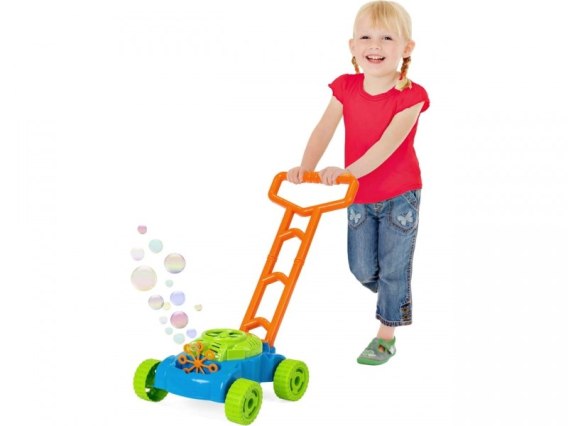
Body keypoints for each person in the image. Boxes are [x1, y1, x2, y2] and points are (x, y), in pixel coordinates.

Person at [287, 1, 429, 365]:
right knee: (362, 268)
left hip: (400, 197)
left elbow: (387, 145)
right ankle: (395, 294)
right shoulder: (346, 88)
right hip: (358, 195)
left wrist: (347, 172)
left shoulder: (411, 96)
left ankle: (386, 335)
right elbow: (324, 129)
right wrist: (306, 168)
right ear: (352, 46)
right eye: (366, 37)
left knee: (393, 269)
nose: (375, 45)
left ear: (406, 48)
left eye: (387, 38)